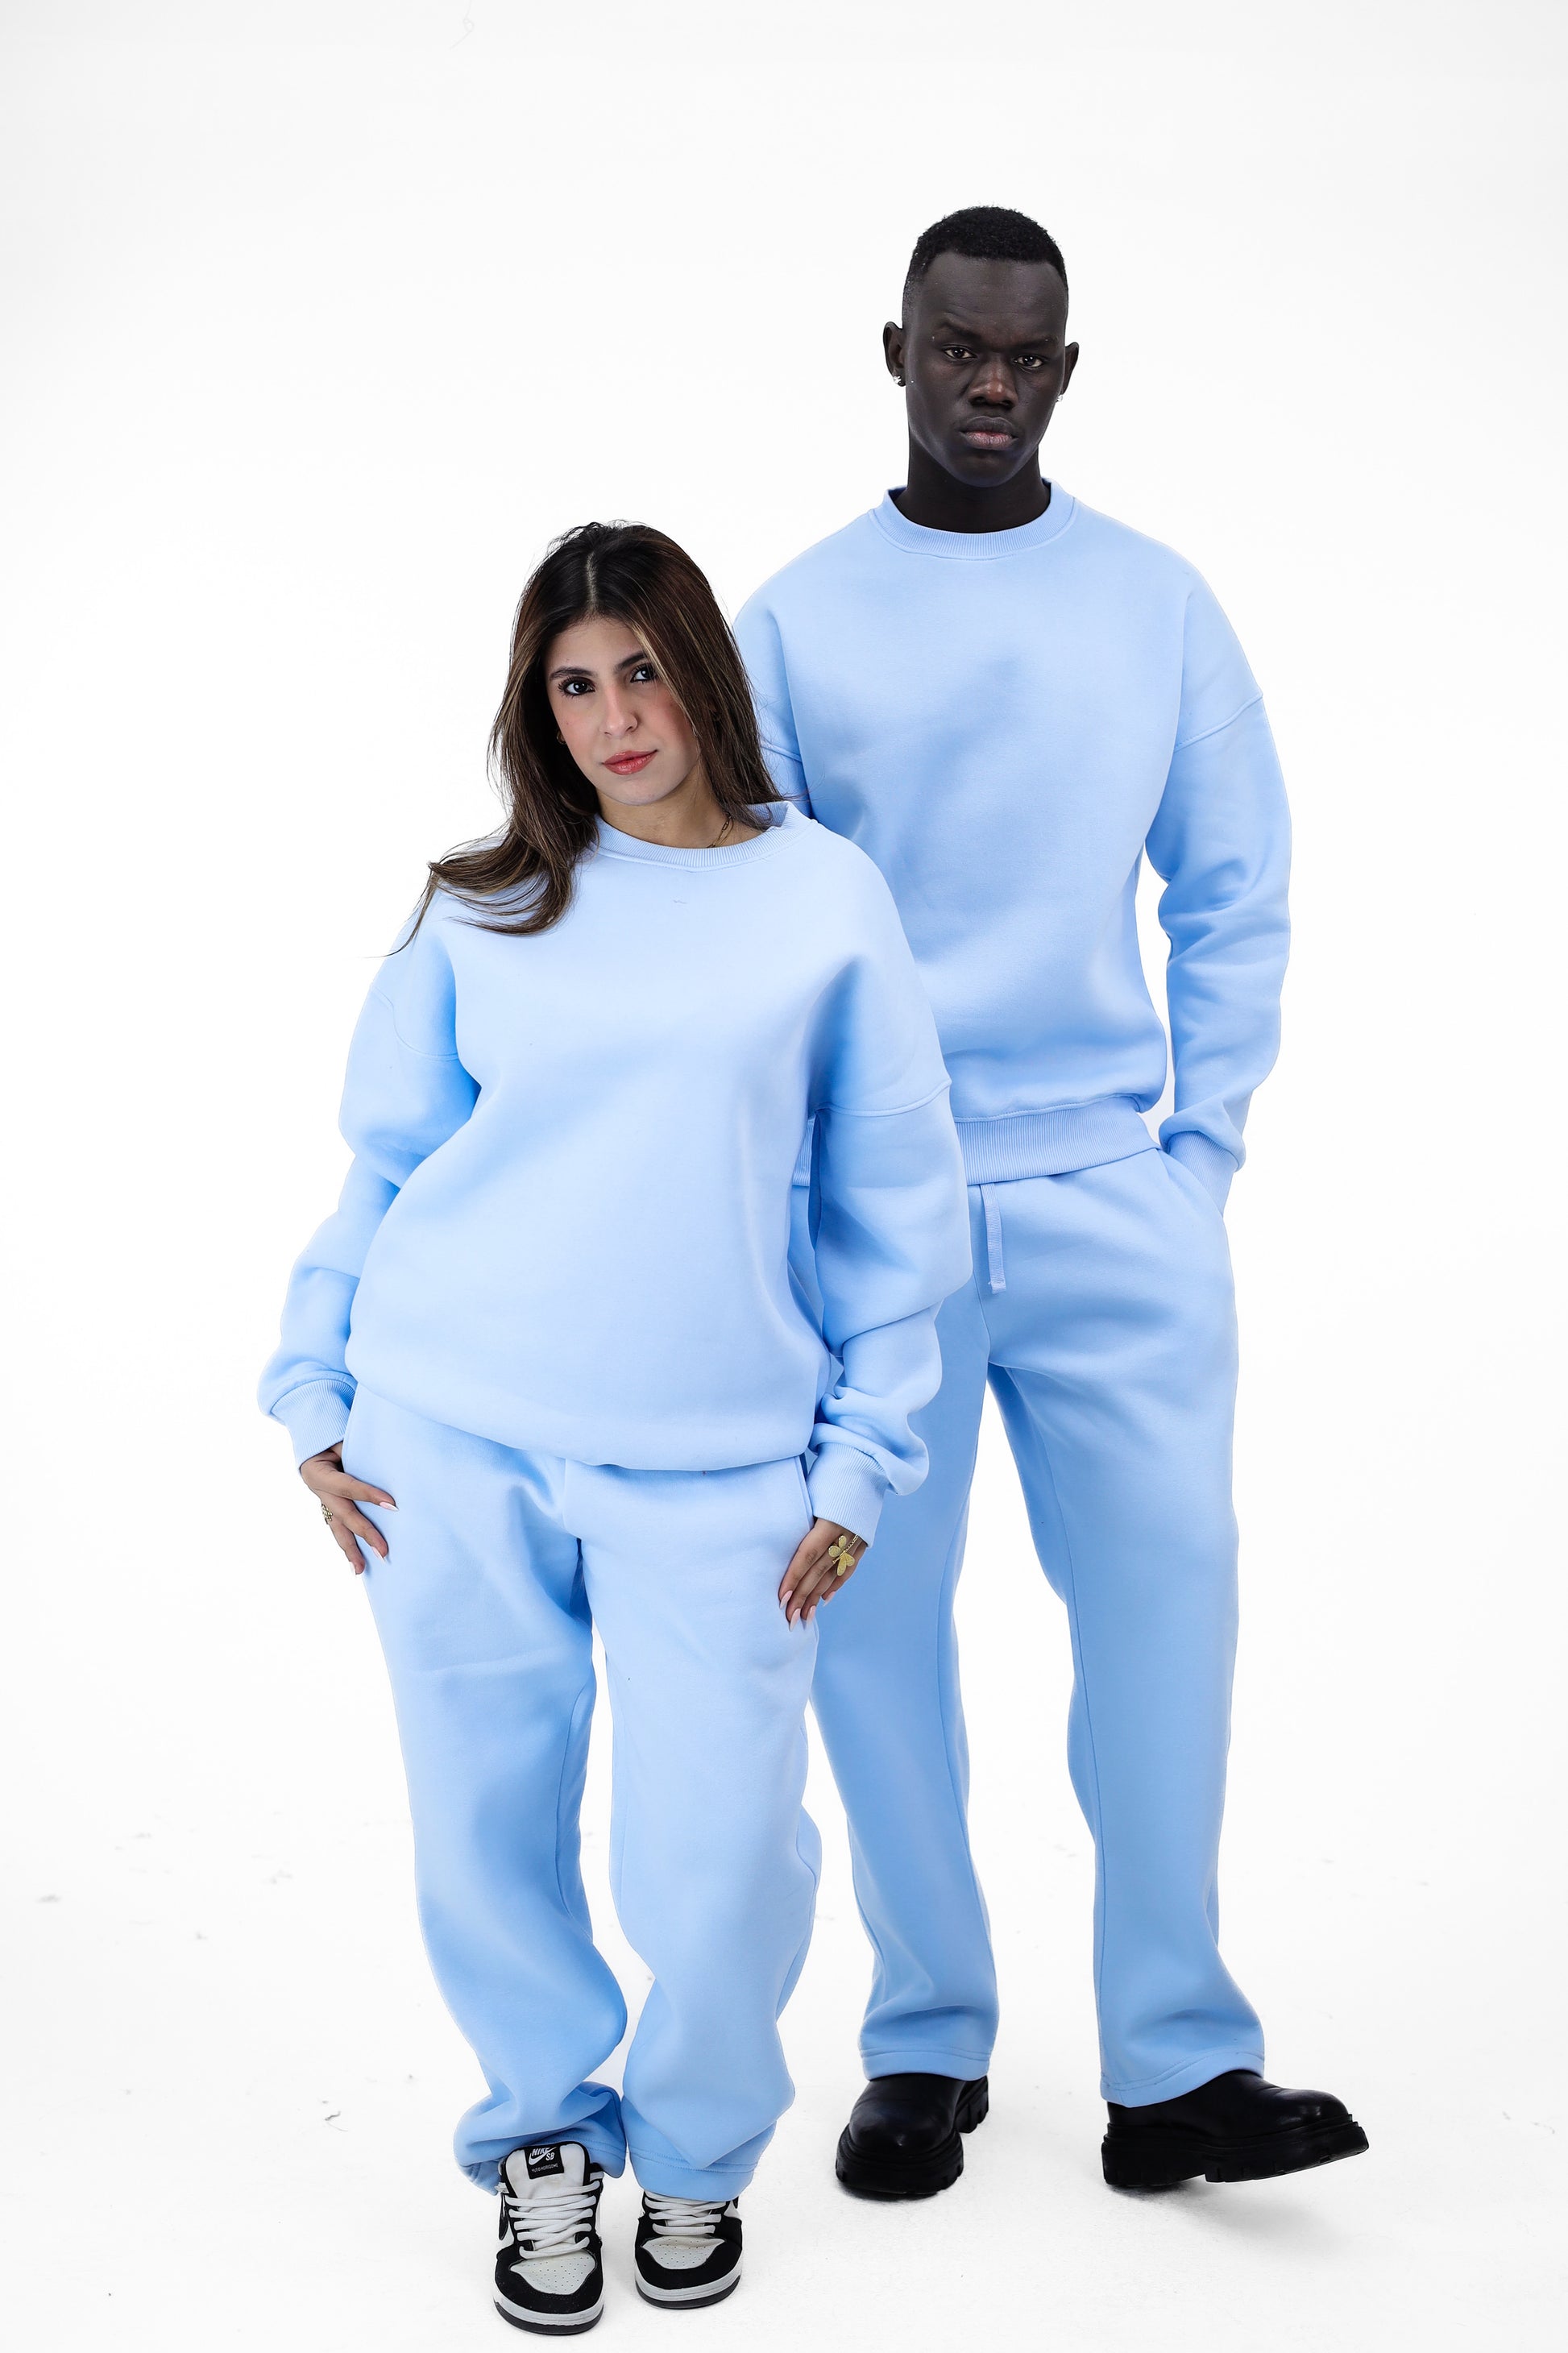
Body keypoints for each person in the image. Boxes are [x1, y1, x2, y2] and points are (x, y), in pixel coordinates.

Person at [259, 521, 971, 2330]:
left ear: (699, 671)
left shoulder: (823, 898)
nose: (612, 717)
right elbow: (389, 1165)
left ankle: (700, 2144)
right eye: (571, 686)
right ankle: (540, 2142)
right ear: (538, 709)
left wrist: (861, 1456)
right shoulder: (482, 904)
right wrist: (315, 1389)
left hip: (721, 1464)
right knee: (485, 1827)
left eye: (640, 670)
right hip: (447, 1436)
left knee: (720, 1855)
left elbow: (893, 1209)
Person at [736, 206, 1367, 2198]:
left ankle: (1176, 2059)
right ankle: (926, 2035)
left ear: (1066, 369)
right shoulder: (795, 620)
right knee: (869, 1639)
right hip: (882, 1222)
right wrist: (800, 1201)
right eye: (957, 348)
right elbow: (753, 926)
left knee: (1170, 1620)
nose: (989, 383)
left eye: (1024, 355)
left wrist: (1199, 1157)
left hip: (1111, 1195)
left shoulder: (1155, 603)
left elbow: (1237, 884)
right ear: (897, 351)